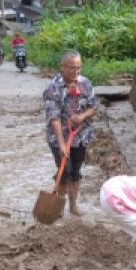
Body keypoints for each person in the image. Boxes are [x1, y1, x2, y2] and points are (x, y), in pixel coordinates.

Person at [43, 50, 97, 216]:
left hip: (81, 136)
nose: (76, 71)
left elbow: (94, 107)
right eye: (72, 68)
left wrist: (82, 116)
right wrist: (61, 145)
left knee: (75, 172)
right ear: (63, 67)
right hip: (59, 137)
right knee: (64, 171)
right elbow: (54, 118)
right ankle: (57, 206)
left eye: (79, 68)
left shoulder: (85, 83)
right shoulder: (53, 88)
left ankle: (73, 206)